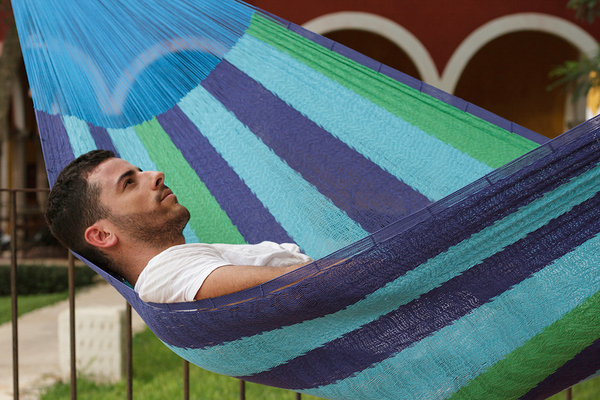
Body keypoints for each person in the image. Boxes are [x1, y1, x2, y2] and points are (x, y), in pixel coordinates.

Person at [45, 150, 312, 303]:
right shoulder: (162, 276)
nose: (156, 175)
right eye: (129, 183)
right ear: (102, 235)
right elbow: (304, 283)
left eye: (140, 171)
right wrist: (338, 268)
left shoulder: (177, 267)